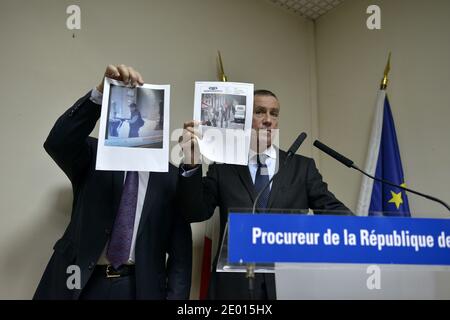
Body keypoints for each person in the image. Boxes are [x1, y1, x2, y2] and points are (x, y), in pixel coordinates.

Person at [34, 64, 192, 300]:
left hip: (138, 288)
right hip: (80, 283)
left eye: (146, 117)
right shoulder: (96, 157)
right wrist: (99, 94)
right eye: (131, 115)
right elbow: (58, 142)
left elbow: (180, 259)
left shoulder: (172, 178)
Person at [178, 89, 351, 300]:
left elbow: (332, 211)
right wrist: (191, 163)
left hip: (289, 285)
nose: (269, 120)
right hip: (235, 288)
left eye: (274, 113)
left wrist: (372, 230)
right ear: (243, 119)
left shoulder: (301, 167)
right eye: (260, 112)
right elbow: (194, 212)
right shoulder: (224, 166)